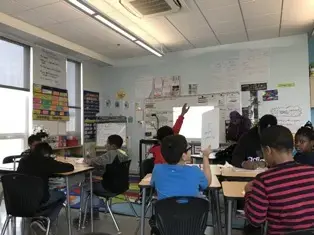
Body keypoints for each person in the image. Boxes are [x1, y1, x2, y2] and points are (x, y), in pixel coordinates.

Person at [244, 125, 314, 234]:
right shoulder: (311, 172)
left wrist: (248, 193)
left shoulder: (264, 180)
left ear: (267, 150)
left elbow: (255, 220)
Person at [17, 142, 74, 235]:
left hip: (19, 200)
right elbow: (69, 167)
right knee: (62, 196)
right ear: (47, 153)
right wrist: (54, 161)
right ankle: (43, 221)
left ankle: (38, 218)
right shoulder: (47, 161)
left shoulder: (23, 160)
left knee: (44, 194)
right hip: (38, 199)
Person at [80, 134, 129, 219]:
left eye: (107, 143)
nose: (105, 145)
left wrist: (86, 160)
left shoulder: (112, 153)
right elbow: (109, 166)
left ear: (113, 146)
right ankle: (94, 212)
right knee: (92, 184)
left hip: (110, 187)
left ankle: (84, 215)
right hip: (122, 185)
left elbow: (94, 161)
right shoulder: (123, 153)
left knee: (85, 187)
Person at [151, 134, 211, 200]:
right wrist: (205, 157)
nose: (190, 150)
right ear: (184, 156)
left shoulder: (157, 170)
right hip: (191, 209)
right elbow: (207, 182)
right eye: (189, 148)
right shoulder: (195, 171)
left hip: (165, 209)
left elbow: (153, 184)